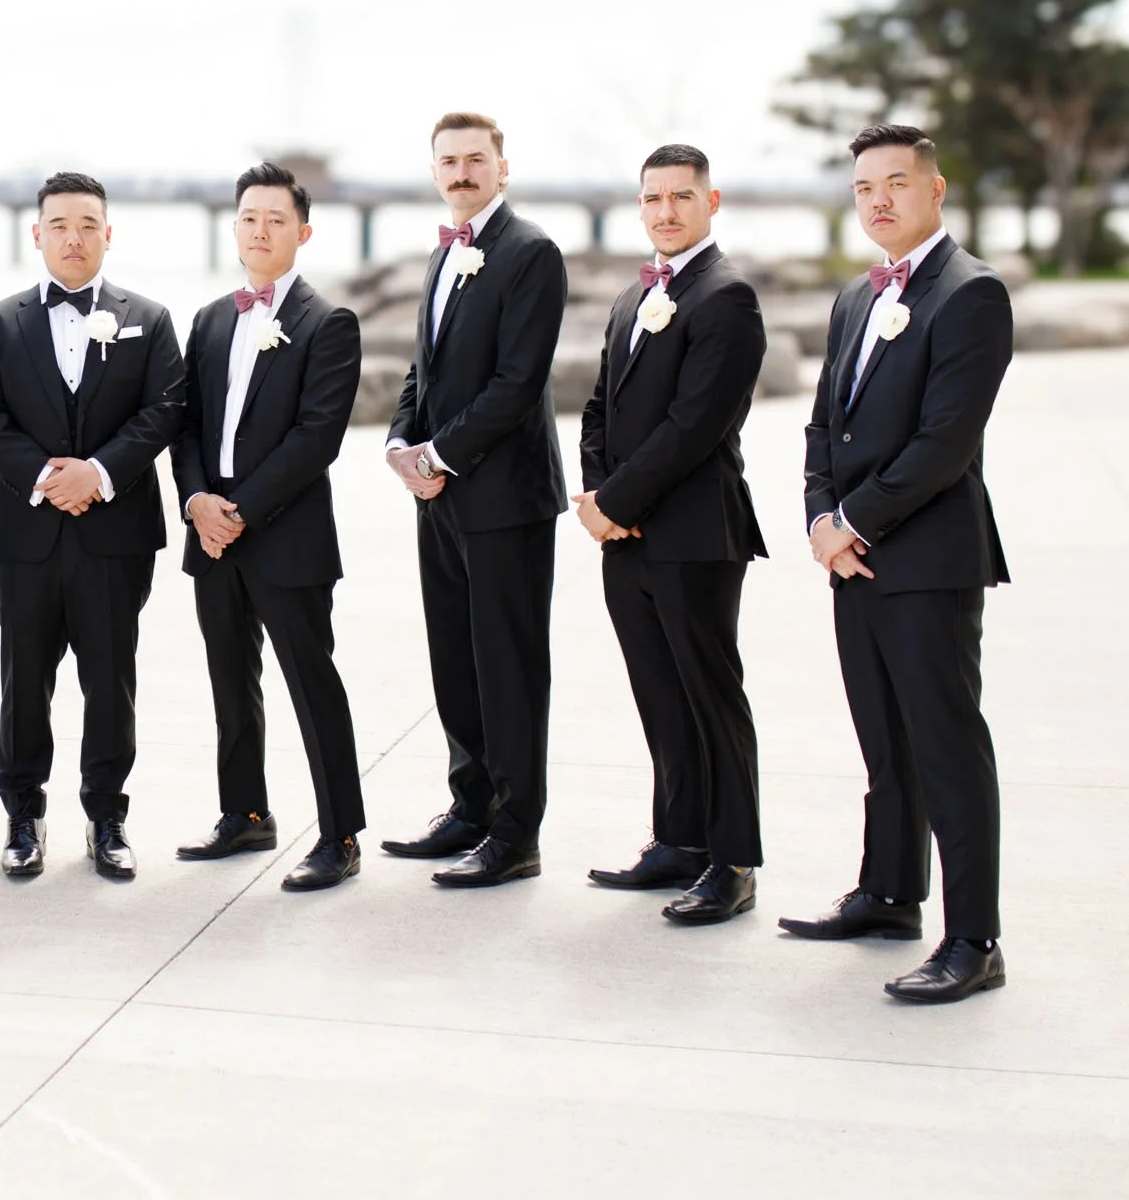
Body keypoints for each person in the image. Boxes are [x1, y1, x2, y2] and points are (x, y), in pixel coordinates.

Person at [784, 124, 1014, 1003]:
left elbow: (944, 442)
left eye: (896, 183)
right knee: (883, 740)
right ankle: (888, 894)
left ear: (935, 189)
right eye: (863, 188)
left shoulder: (972, 293)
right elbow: (823, 422)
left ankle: (975, 939)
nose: (878, 200)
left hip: (928, 560)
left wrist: (851, 519)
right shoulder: (856, 295)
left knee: (947, 747)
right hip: (852, 558)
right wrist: (820, 517)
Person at [0, 171, 185, 879]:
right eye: (59, 225)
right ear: (37, 235)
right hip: (26, 537)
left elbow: (164, 409)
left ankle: (107, 818)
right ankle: (23, 817)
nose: (74, 237)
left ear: (109, 234)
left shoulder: (150, 318)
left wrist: (100, 473)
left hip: (116, 537)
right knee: (24, 682)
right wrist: (46, 478)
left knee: (111, 681)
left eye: (88, 225)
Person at [574, 145, 769, 925]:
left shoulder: (728, 297)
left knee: (709, 695)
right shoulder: (633, 296)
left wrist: (619, 498)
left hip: (695, 534)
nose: (665, 211)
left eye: (681, 196)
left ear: (710, 202)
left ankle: (734, 860)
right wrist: (598, 496)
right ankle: (679, 840)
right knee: (658, 692)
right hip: (625, 537)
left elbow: (697, 424)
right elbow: (599, 407)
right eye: (652, 198)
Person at [381, 112, 569, 889]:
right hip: (438, 498)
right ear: (435, 172)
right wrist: (400, 442)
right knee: (455, 660)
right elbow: (423, 369)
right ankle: (471, 807)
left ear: (502, 167)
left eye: (475, 159)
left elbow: (517, 382)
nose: (462, 172)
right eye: (449, 161)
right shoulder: (442, 253)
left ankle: (516, 833)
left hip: (506, 498)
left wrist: (440, 454)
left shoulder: (532, 252)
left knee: (509, 668)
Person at [169, 162, 368, 892]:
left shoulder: (328, 323)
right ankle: (245, 814)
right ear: (235, 227)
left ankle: (340, 835)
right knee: (231, 683)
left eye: (276, 219)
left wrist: (240, 511)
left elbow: (316, 438)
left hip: (285, 535)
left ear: (303, 232)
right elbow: (185, 424)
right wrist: (197, 500)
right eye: (249, 217)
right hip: (211, 532)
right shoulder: (210, 319)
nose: (260, 230)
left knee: (313, 686)